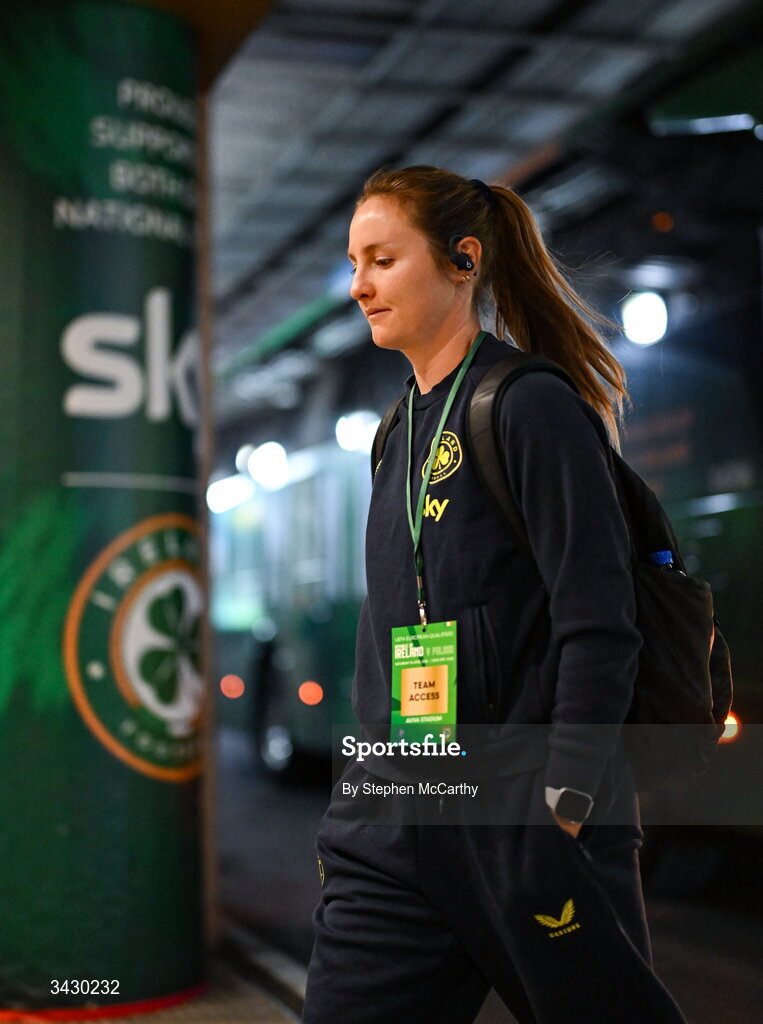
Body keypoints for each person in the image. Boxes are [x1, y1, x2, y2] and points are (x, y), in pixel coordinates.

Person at [302, 166, 688, 1024]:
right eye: (355, 262)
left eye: (382, 259)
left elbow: (600, 621)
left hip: (523, 816)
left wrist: (567, 797)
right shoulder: (396, 429)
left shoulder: (528, 406)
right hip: (399, 815)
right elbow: (389, 626)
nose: (359, 285)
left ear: (462, 260)